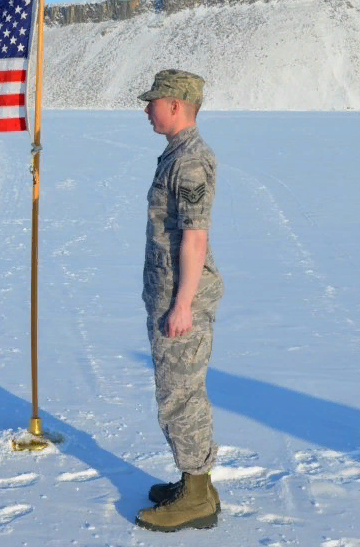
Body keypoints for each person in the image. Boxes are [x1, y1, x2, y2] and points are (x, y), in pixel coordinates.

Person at [134, 69, 224, 531]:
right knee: (180, 389)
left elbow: (195, 238)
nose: (146, 109)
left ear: (174, 104)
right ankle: (197, 484)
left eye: (152, 102)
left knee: (180, 395)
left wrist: (182, 304)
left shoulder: (189, 161)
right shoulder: (176, 154)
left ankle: (195, 498)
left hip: (179, 296)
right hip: (169, 292)